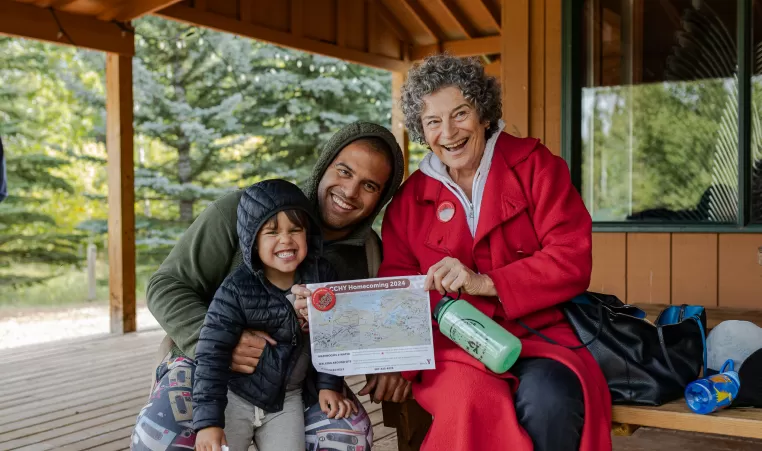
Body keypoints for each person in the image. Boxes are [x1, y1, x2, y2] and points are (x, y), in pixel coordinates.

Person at [375, 54, 612, 450]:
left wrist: (485, 282)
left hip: (539, 336)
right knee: (471, 401)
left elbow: (572, 257)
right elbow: (395, 285)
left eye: (460, 113)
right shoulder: (409, 201)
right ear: (422, 129)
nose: (448, 132)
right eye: (433, 121)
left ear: (484, 113)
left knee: (550, 402)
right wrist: (400, 360)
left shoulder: (536, 166)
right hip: (452, 347)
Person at [131, 122, 409, 450]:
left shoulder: (368, 256)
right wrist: (217, 339)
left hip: (297, 382)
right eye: (344, 171)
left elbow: (369, 332)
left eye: (369, 186)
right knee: (163, 436)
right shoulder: (241, 210)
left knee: (345, 437)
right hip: (205, 362)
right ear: (324, 166)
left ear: (381, 198)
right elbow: (166, 285)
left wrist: (396, 362)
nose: (349, 192)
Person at [193, 180, 357, 451]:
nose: (286, 239)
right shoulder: (235, 290)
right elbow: (211, 354)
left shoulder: (320, 277)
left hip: (287, 400)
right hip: (235, 397)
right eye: (271, 232)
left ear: (308, 234)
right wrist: (209, 422)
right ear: (252, 241)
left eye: (295, 229)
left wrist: (329, 386)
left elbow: (332, 335)